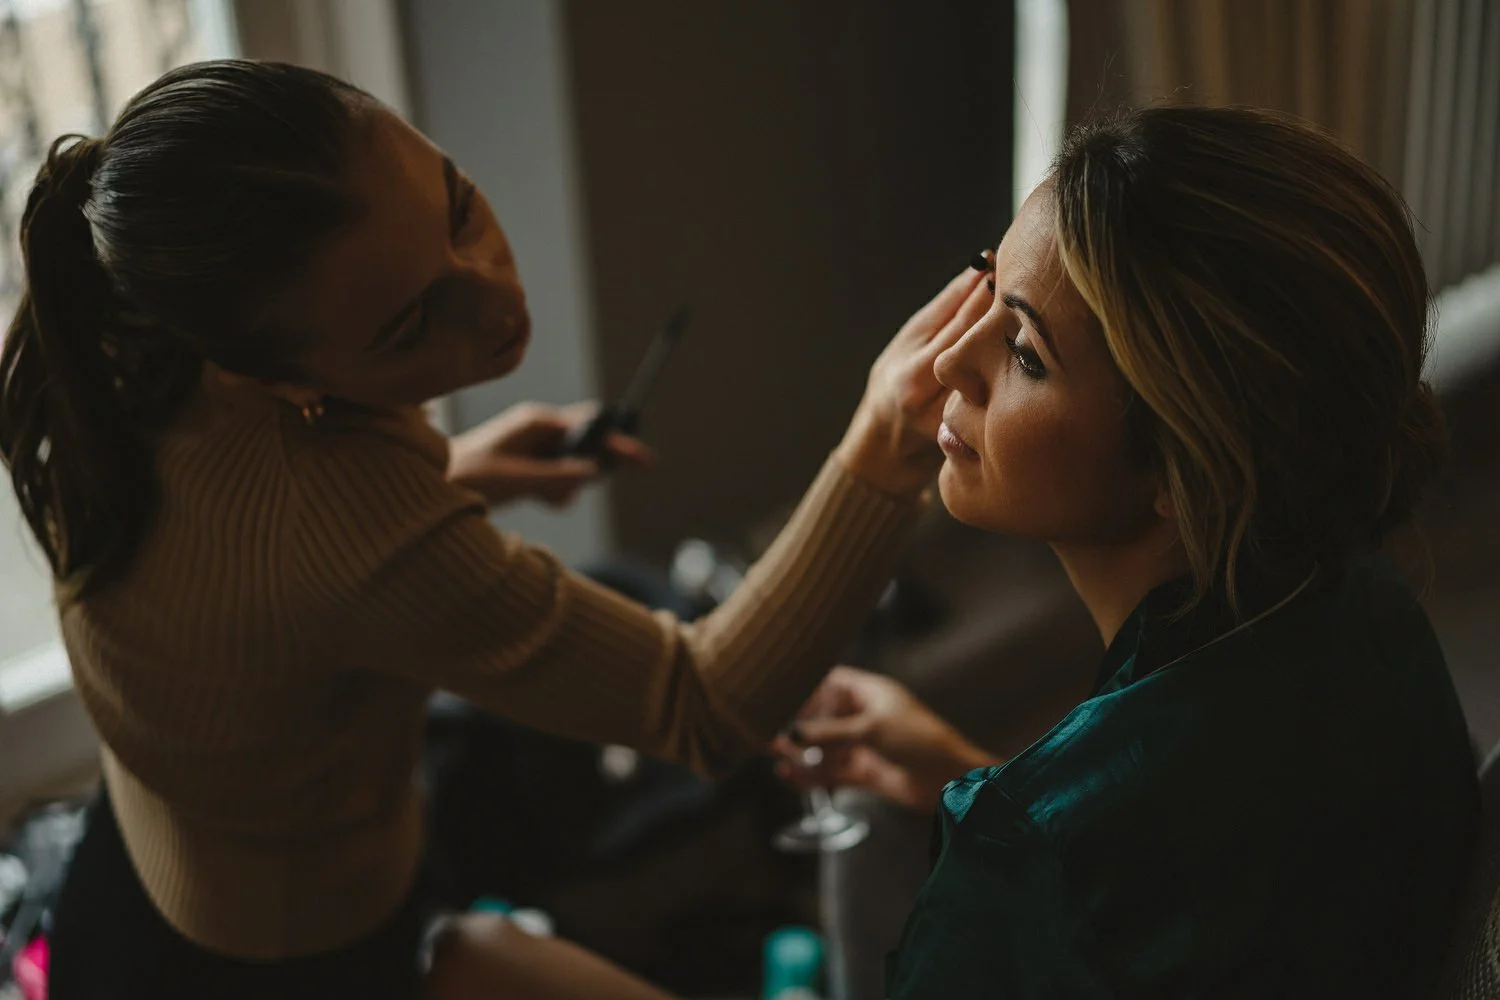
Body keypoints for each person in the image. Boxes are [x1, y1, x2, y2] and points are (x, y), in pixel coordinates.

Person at [0, 60, 980, 999]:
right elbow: (703, 703)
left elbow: (245, 580)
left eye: (458, 203)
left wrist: (461, 472)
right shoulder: (349, 516)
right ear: (279, 381)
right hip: (273, 969)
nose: (498, 300)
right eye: (410, 325)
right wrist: (884, 445)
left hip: (138, 871)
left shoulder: (130, 364)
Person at [775, 105, 1479, 998]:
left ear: (1187, 467)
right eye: (985, 288)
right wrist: (968, 771)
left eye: (1024, 351)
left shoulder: (1018, 861)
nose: (950, 360)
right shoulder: (1371, 610)